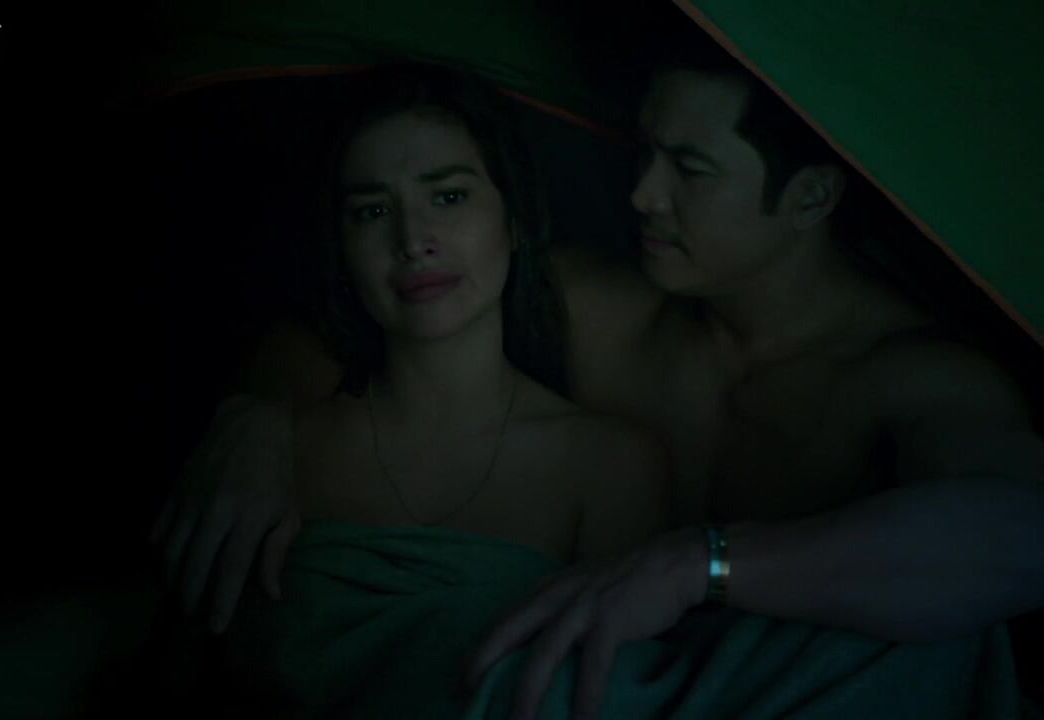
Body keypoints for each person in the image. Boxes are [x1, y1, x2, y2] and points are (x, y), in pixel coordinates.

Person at [152, 28, 1044, 719]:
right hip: (592, 682)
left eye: (687, 169)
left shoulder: (915, 382)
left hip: (758, 688)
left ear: (809, 195)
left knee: (947, 642)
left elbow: (1021, 538)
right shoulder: (602, 309)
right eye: (644, 152)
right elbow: (370, 310)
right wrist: (254, 421)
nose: (640, 194)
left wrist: (702, 566)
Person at [148, 62, 671, 717]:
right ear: (342, 249)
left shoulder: (609, 466)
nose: (412, 240)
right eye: (372, 211)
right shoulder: (274, 451)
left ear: (512, 220)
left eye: (447, 198)